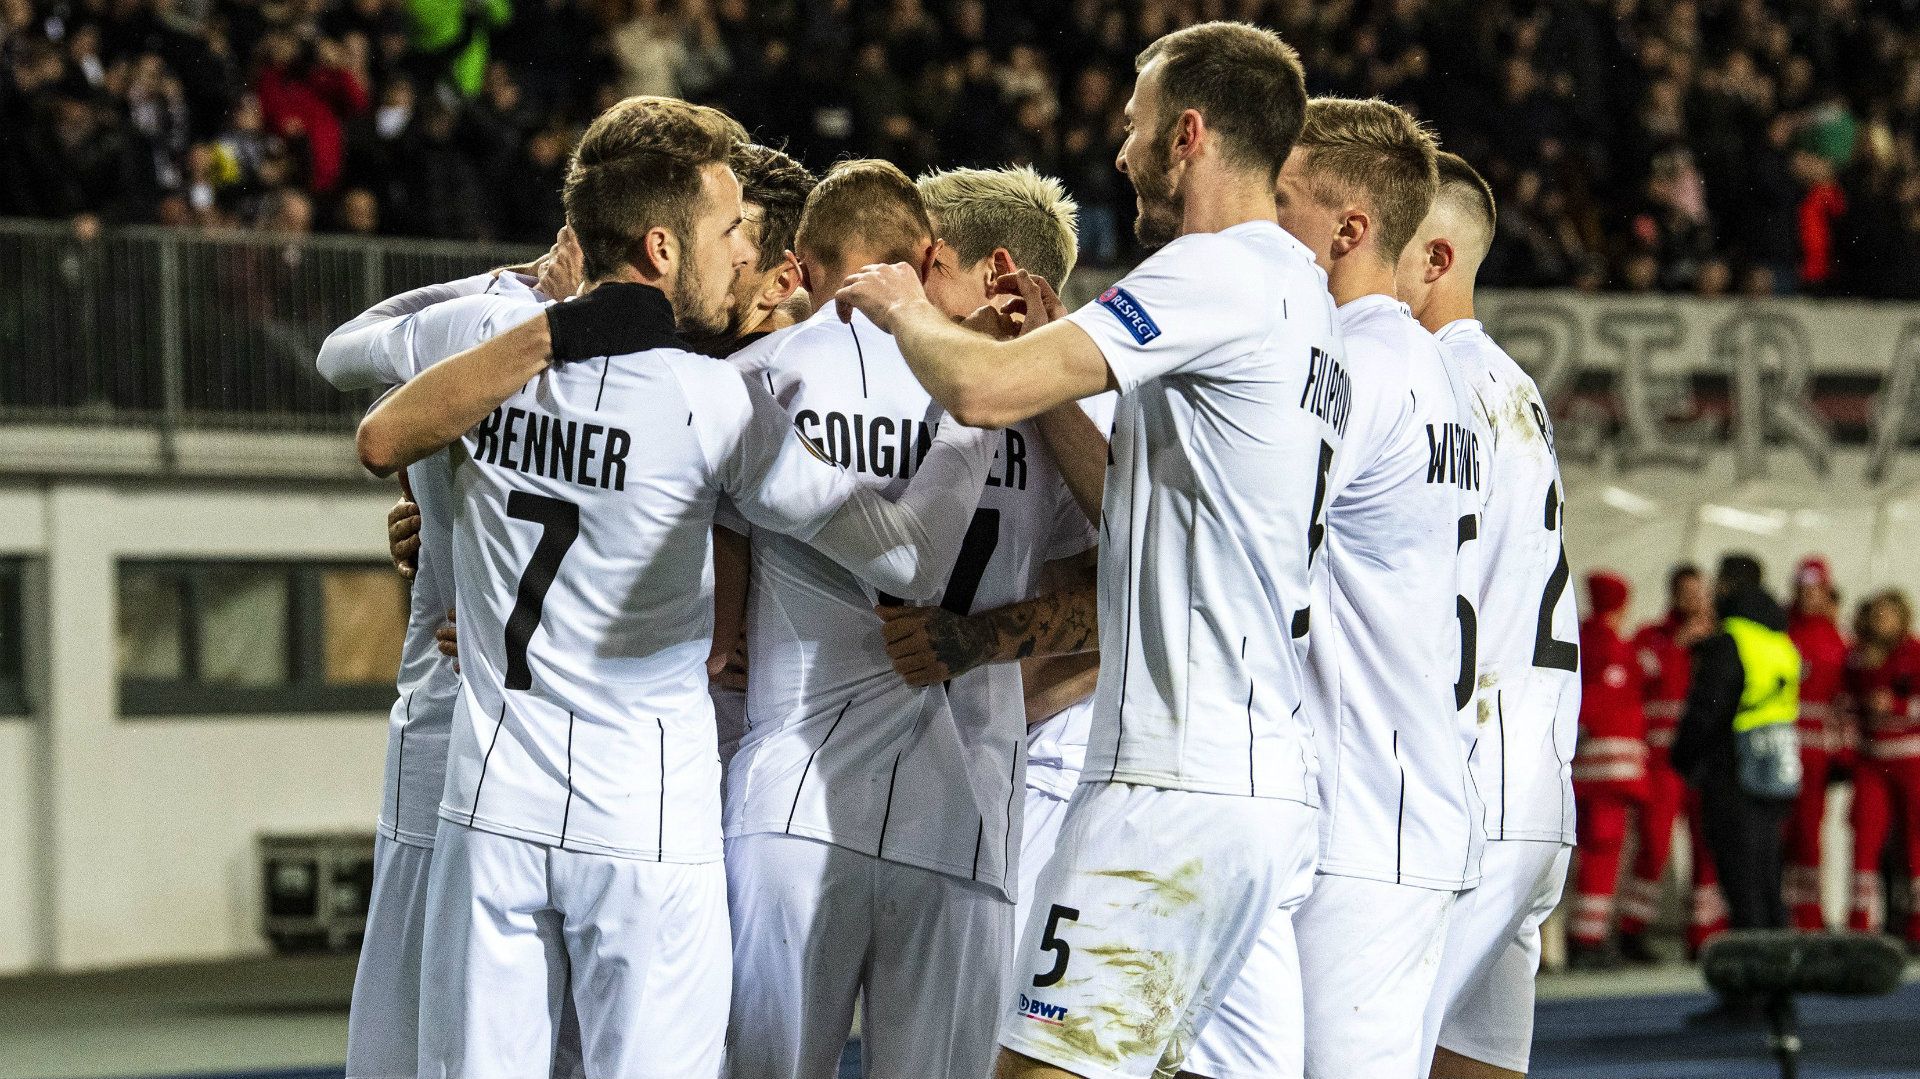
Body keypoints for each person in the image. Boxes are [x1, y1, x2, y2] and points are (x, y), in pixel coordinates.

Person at [349, 95, 1001, 1078]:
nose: (745, 253)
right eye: (728, 228)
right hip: (643, 826)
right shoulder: (715, 402)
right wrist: (978, 412)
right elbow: (909, 558)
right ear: (661, 247)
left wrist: (543, 321)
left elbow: (360, 395)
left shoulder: (483, 349)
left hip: (493, 812)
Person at [836, 22, 1344, 1079]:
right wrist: (1063, 347)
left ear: (1189, 134)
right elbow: (1133, 503)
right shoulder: (1302, 298)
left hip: (1170, 786)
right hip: (1254, 787)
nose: (1121, 152)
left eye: (1136, 126)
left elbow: (978, 388)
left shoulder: (1212, 271)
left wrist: (898, 306)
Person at [718, 160, 1092, 1079]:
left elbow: (707, 619)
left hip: (795, 795)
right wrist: (986, 641)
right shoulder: (1029, 411)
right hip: (965, 811)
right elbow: (1110, 589)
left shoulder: (753, 380)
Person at [1185, 96, 1486, 1079]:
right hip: (1397, 795)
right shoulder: (1432, 370)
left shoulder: (1355, 364)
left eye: (1282, 198)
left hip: (1368, 812)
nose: (1259, 214)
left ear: (1349, 230)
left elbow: (1259, 531)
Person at [1397, 151, 1581, 1079]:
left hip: (1463, 795)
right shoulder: (1511, 383)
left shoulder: (1433, 385)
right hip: (1536, 785)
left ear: (1434, 256)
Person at [1671, 554, 1801, 990]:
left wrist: (1684, 757)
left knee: (1743, 891)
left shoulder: (1731, 641)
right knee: (1768, 886)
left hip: (1734, 775)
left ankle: (1752, 994)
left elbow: (1709, 712)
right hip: (1775, 772)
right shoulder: (1780, 641)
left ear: (1726, 586)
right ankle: (1779, 990)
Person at [1619, 564, 1726, 962]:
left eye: (1699, 592)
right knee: (1654, 845)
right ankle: (1632, 929)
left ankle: (1704, 934)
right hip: (1662, 762)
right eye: (1685, 592)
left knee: (1707, 847)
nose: (1693, 600)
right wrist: (1679, 645)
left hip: (1702, 761)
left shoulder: (1719, 638)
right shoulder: (1652, 637)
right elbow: (1641, 679)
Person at [1569, 570, 1649, 969]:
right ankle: (1588, 938)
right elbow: (1603, 706)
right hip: (1608, 777)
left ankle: (1587, 934)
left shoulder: (1582, 637)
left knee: (1592, 855)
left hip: (1591, 773)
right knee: (1603, 855)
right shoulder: (1610, 646)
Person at [1844, 590, 1920, 947]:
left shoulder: (1914, 654)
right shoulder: (1860, 659)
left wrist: (1898, 705)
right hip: (1872, 760)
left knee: (1914, 842)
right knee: (1865, 835)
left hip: (1909, 759)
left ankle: (1915, 924)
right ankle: (1860, 922)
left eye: (1887, 616)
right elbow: (1846, 705)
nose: (1880, 623)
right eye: (1876, 616)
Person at [1785, 556, 1848, 930]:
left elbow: (1841, 701)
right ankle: (1788, 913)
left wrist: (1841, 752)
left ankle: (1808, 915)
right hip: (1783, 748)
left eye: (1815, 590)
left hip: (1817, 753)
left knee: (1810, 834)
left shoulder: (1835, 639)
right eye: (1803, 590)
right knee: (1782, 833)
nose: (1809, 597)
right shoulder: (1785, 631)